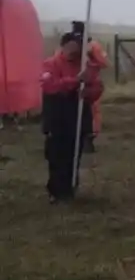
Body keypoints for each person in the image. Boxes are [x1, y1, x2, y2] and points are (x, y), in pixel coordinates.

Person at [39, 33, 102, 202]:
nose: (77, 51)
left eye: (80, 47)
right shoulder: (50, 64)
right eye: (74, 46)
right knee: (56, 154)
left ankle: (70, 188)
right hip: (57, 115)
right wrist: (74, 81)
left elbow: (97, 86)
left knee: (74, 152)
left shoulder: (85, 65)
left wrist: (88, 92)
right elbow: (50, 86)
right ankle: (56, 191)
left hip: (78, 114)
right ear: (65, 46)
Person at [70, 21, 108, 147]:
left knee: (93, 110)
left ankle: (90, 136)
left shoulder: (94, 46)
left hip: (92, 83)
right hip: (74, 81)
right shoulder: (69, 45)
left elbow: (104, 63)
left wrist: (92, 59)